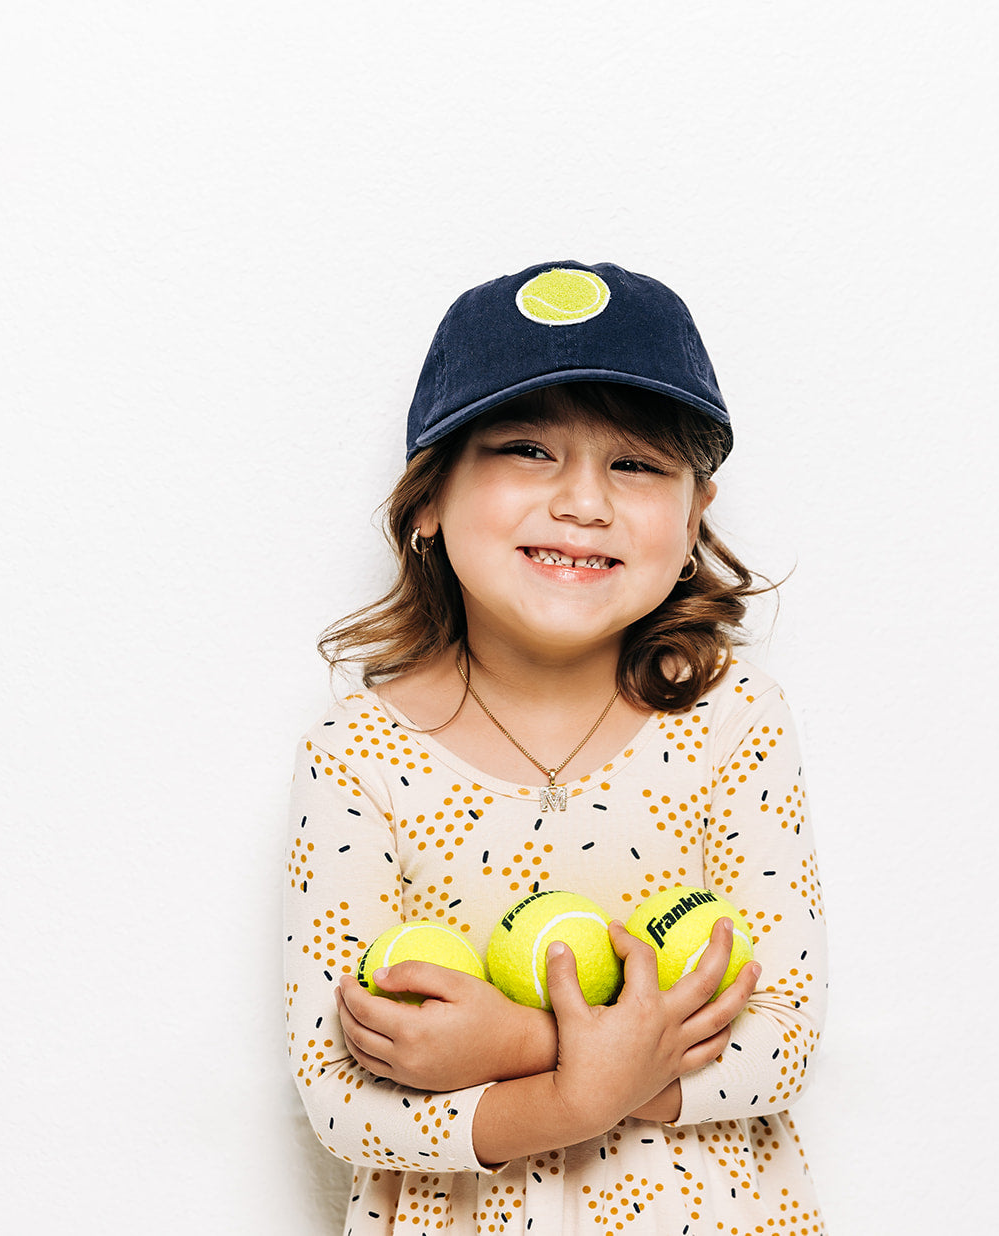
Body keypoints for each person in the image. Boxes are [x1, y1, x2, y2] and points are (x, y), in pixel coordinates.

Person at [284, 260, 829, 1234]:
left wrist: (523, 1042)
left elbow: (781, 1036)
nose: (584, 501)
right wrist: (575, 1092)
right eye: (526, 449)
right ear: (426, 500)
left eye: (636, 463)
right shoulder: (357, 756)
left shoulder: (733, 721)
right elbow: (340, 1097)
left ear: (694, 514)